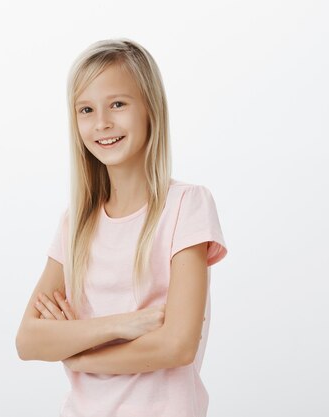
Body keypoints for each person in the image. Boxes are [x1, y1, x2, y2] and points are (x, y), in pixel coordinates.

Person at [15, 38, 228, 417]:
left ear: (150, 109)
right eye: (85, 109)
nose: (102, 123)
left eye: (117, 104)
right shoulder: (75, 225)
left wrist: (77, 354)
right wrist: (126, 325)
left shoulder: (186, 206)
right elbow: (29, 341)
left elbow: (177, 346)